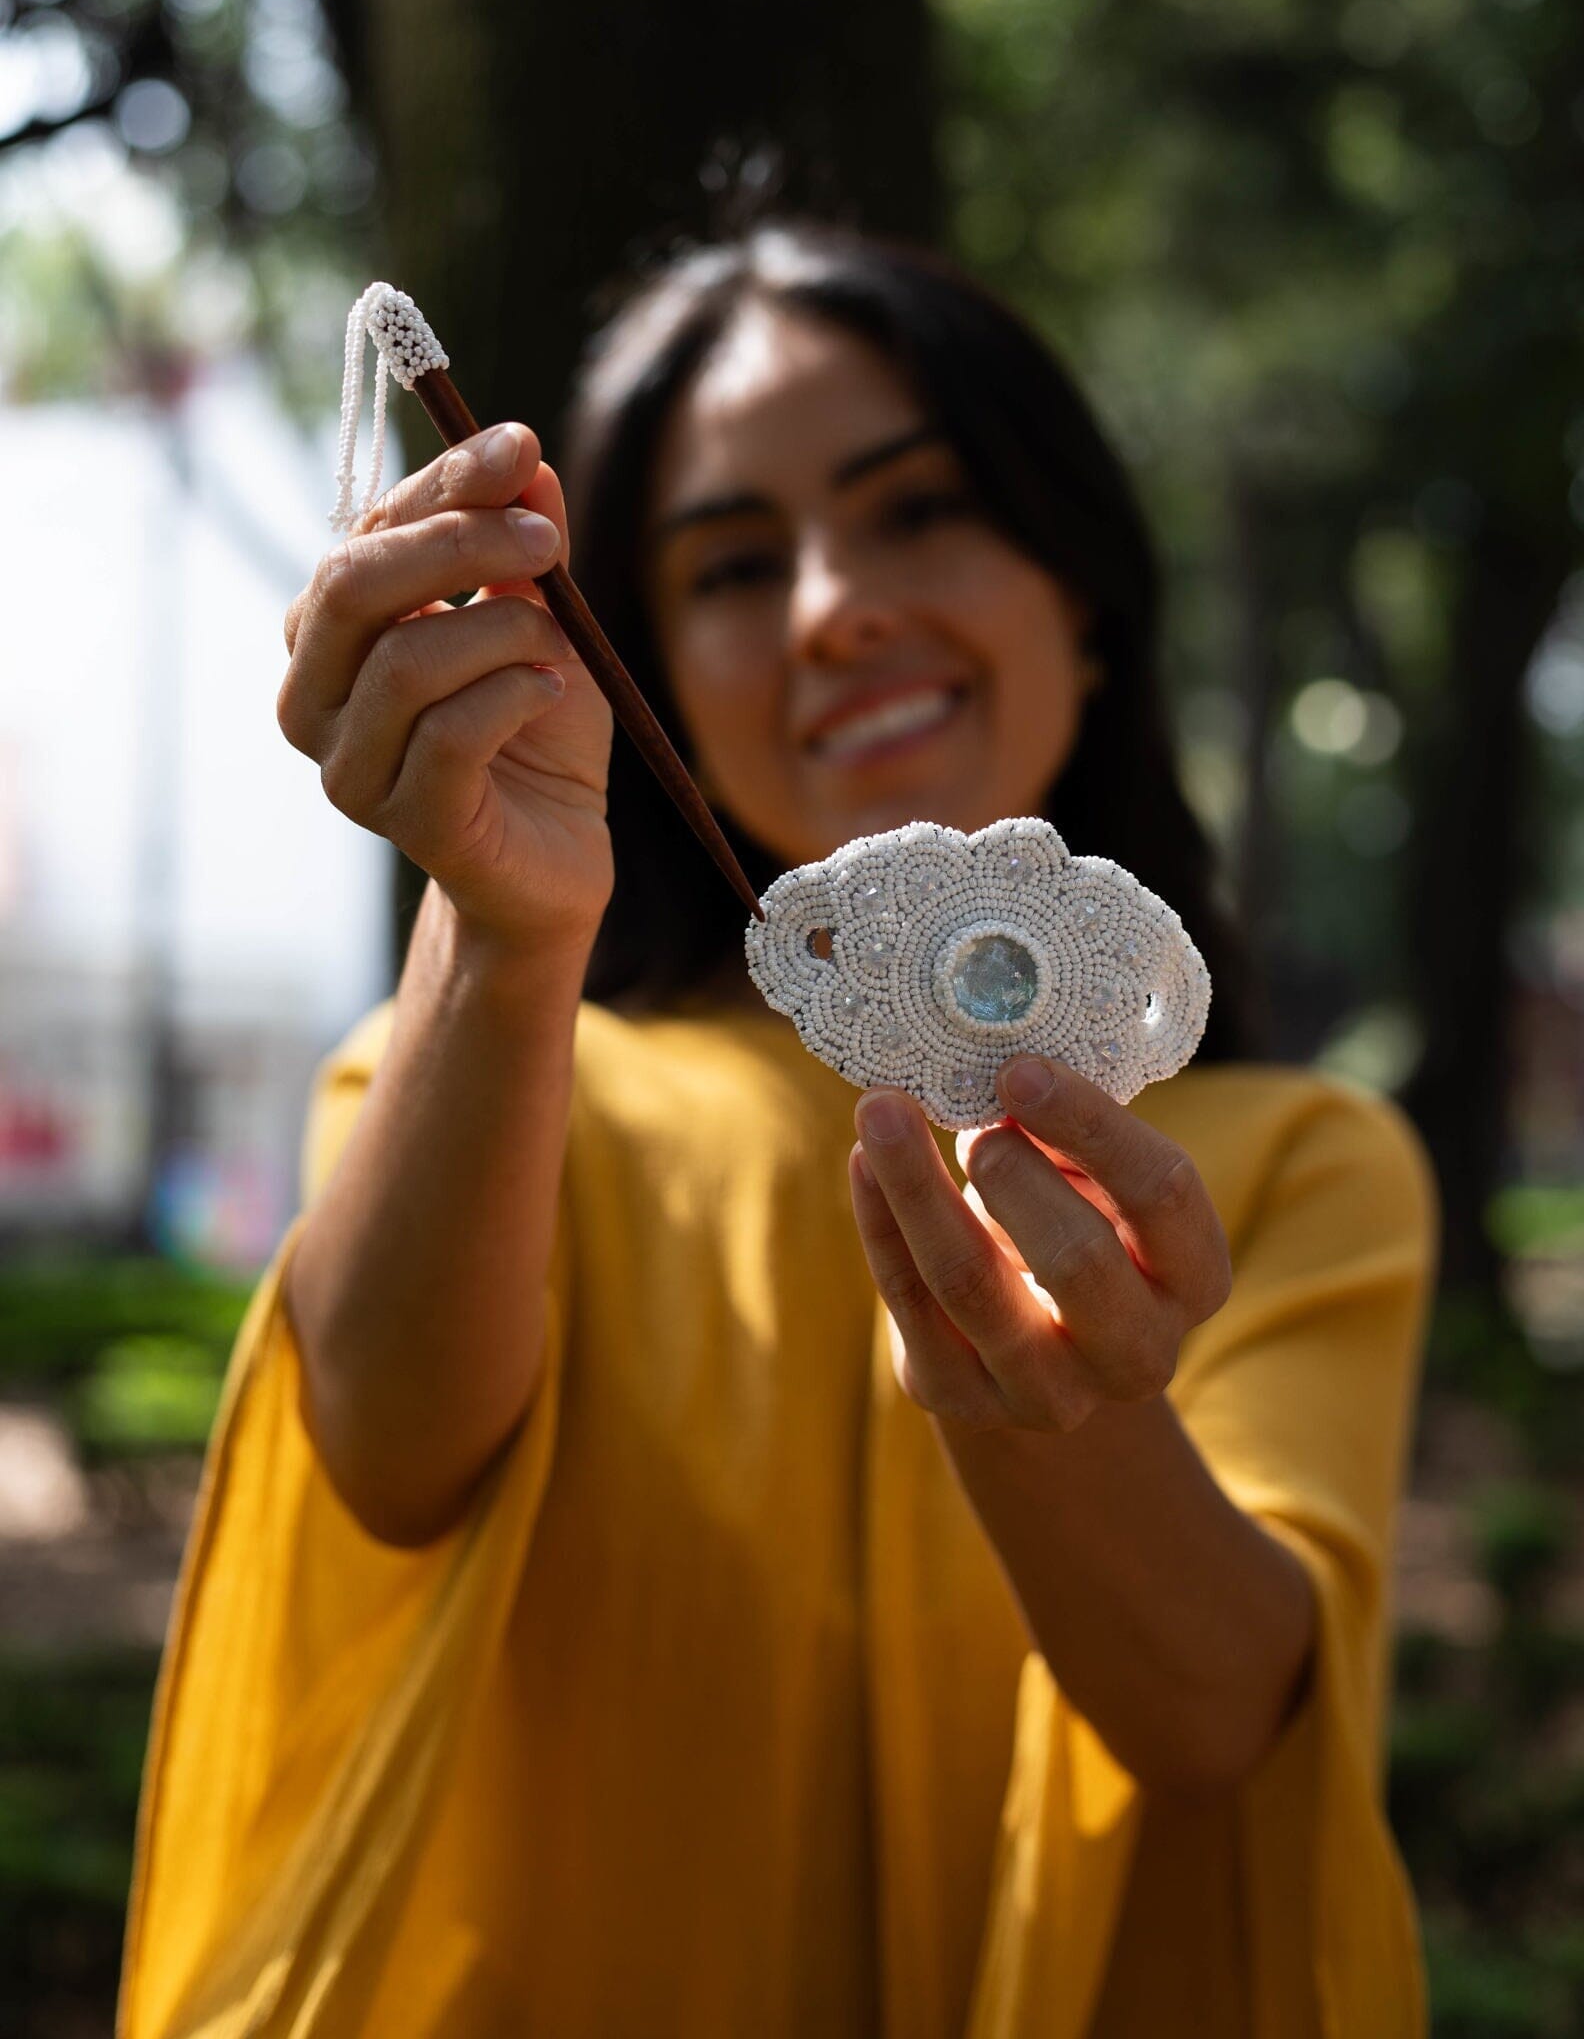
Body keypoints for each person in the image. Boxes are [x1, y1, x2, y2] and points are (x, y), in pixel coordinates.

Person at [118, 220, 1438, 2038]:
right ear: (641, 663)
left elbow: (1223, 1723)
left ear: (1081, 589)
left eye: (919, 511)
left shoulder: (1304, 1165)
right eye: (734, 566)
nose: (833, 609)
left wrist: (1063, 1416)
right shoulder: (509, 1066)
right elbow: (386, 1461)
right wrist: (502, 932)